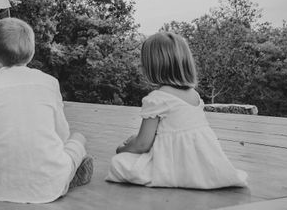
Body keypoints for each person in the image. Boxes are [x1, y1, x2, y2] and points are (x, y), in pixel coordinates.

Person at [106, 32, 248, 189]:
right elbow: (176, 133)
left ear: (153, 66)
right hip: (201, 164)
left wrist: (123, 148)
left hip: (172, 166)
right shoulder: (194, 96)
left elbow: (142, 144)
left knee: (118, 164)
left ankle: (174, 178)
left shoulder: (157, 98)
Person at [0, 18, 93, 203]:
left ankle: (0, 174)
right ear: (31, 54)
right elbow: (62, 135)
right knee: (78, 138)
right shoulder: (49, 83)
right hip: (50, 185)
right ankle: (70, 173)